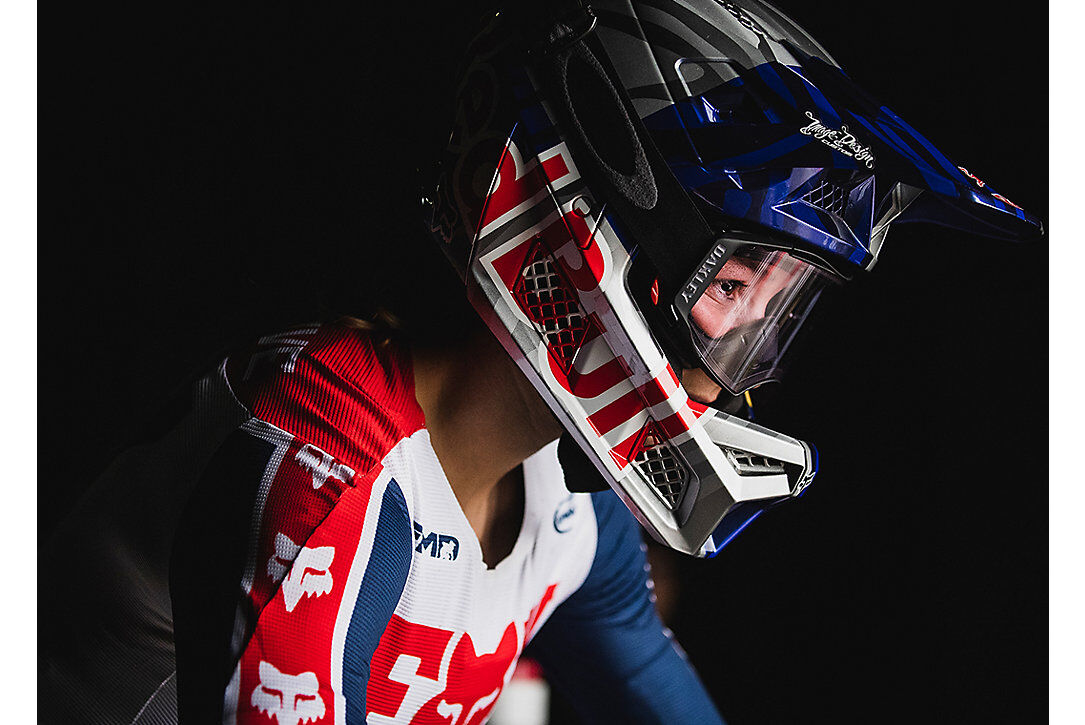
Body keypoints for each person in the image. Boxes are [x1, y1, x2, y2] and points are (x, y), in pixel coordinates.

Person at [39, 1, 1042, 723]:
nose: (736, 369)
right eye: (733, 283)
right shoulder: (322, 463)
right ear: (584, 216)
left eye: (775, 309)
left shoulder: (564, 515)